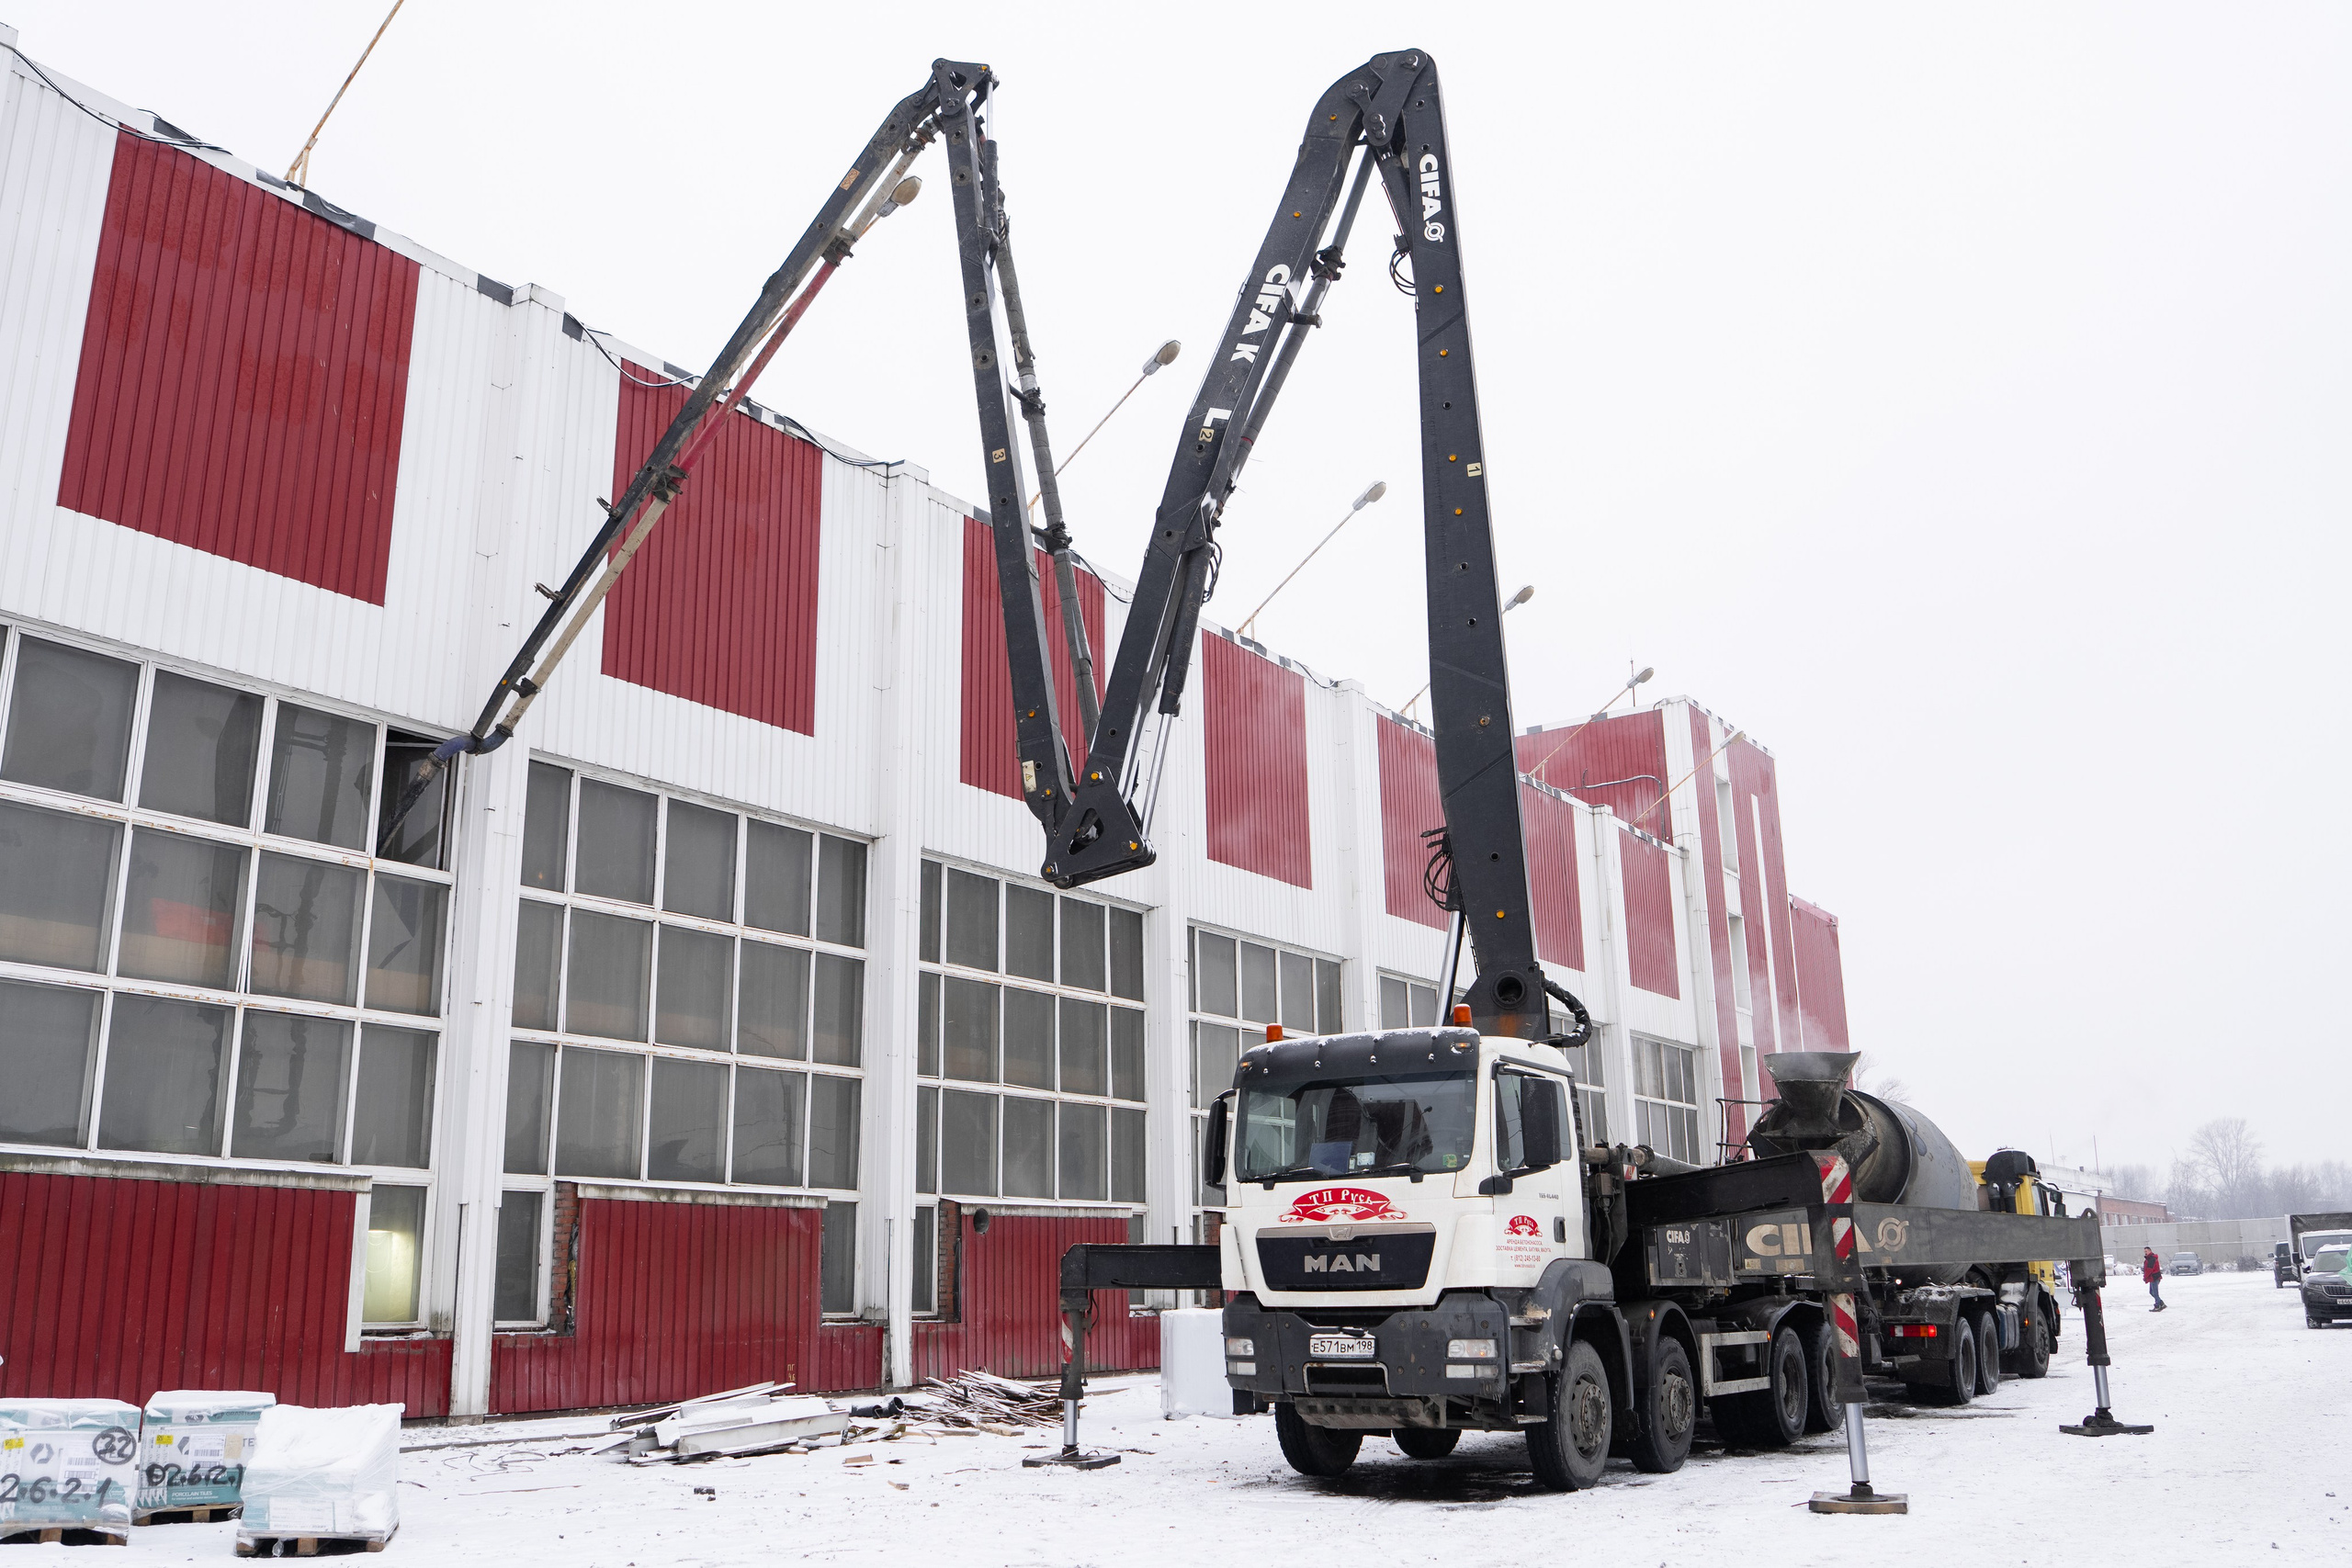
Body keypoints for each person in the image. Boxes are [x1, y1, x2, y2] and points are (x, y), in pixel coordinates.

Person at [2142, 1246, 2165, 1312]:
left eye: (2146, 1251)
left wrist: (2145, 1277)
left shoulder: (2152, 1258)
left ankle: (2158, 1306)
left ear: (2150, 1251)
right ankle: (2161, 1303)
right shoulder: (2149, 1258)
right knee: (2152, 1292)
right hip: (2153, 1277)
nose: (2145, 1253)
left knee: (2154, 1292)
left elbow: (2149, 1269)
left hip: (2154, 1277)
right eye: (2144, 1252)